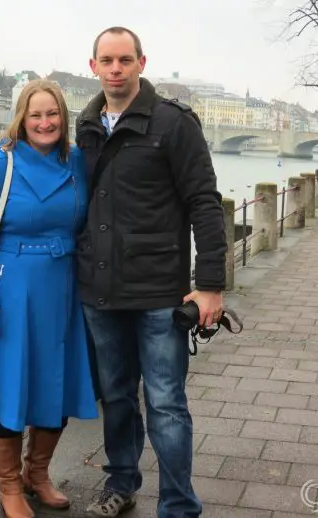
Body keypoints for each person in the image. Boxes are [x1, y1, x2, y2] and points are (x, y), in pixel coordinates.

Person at [75, 26, 226, 518]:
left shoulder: (174, 123)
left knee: (165, 403)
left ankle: (179, 504)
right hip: (101, 291)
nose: (116, 69)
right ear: (93, 66)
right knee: (116, 398)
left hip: (160, 291)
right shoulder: (87, 123)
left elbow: (205, 202)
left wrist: (209, 286)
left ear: (142, 62)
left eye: (125, 59)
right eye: (107, 61)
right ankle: (121, 482)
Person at [0, 79, 98, 518]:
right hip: (9, 293)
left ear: (63, 119)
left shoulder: (77, 162)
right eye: (36, 115)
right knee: (10, 390)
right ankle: (9, 485)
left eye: (53, 114)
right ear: (22, 119)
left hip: (62, 290)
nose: (45, 122)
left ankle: (38, 473)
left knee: (57, 385)